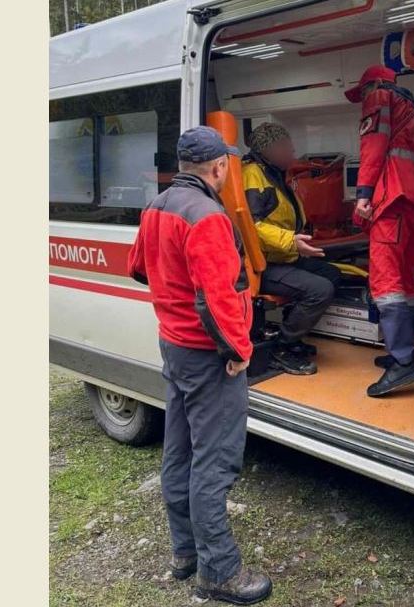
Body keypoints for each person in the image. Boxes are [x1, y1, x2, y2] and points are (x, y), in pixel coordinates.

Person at [127, 126, 272, 605]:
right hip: (210, 356)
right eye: (227, 163)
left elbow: (138, 267)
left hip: (174, 347)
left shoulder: (158, 206)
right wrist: (238, 351)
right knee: (214, 461)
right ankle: (219, 572)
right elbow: (218, 298)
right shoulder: (207, 216)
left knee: (181, 452)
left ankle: (185, 554)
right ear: (218, 168)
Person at [345, 65, 414, 397]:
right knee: (405, 282)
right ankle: (405, 352)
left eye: (361, 94)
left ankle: (403, 362)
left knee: (385, 281)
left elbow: (372, 148)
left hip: (393, 200)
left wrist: (363, 197)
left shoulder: (379, 97)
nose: (362, 102)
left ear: (370, 86)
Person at [242, 122, 341, 375]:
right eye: (286, 146)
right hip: (264, 264)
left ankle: (291, 334)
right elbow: (252, 226)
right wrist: (290, 240)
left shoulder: (273, 173)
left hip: (283, 254)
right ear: (270, 149)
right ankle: (282, 347)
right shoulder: (253, 174)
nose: (293, 149)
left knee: (331, 274)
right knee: (320, 289)